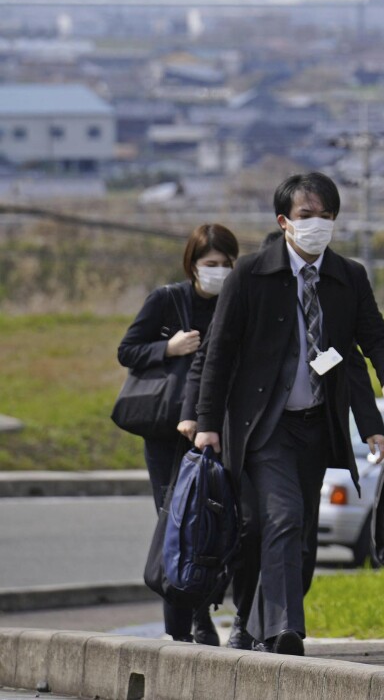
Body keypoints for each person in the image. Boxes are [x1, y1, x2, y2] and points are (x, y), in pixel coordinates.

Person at [193, 172, 384, 656]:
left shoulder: (347, 276)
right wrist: (207, 425)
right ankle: (286, 632)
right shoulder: (250, 274)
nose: (317, 225)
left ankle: (250, 621)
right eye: (306, 216)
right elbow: (219, 353)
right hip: (264, 428)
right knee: (283, 519)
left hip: (317, 425)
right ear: (284, 222)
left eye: (326, 217)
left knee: (302, 539)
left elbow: (372, 340)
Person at [117, 222, 239, 646]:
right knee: (179, 528)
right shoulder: (167, 300)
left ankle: (208, 611)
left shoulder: (236, 303)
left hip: (221, 432)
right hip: (170, 434)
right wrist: (168, 349)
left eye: (226, 264)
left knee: (218, 527)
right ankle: (192, 621)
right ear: (192, 264)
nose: (219, 271)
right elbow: (127, 350)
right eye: (211, 264)